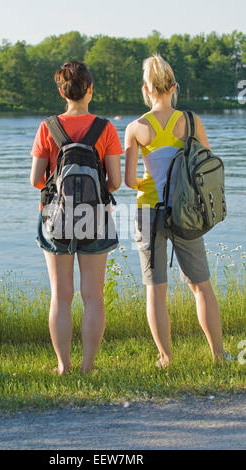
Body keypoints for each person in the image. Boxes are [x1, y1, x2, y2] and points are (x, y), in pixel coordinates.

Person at [125, 54, 232, 368]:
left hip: (149, 213)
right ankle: (219, 355)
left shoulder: (136, 127)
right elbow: (206, 165)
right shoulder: (191, 120)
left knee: (155, 289)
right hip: (186, 212)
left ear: (146, 89)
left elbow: (130, 180)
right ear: (173, 87)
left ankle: (166, 358)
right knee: (201, 286)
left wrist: (150, 181)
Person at [30, 61, 122, 375]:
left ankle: (62, 366)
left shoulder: (48, 127)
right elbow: (115, 181)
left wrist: (60, 196)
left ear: (61, 92)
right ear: (90, 90)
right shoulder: (105, 128)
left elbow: (35, 179)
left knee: (61, 295)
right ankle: (87, 368)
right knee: (93, 296)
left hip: (55, 219)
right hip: (95, 217)